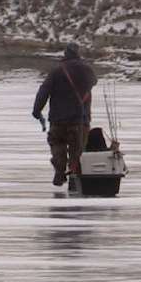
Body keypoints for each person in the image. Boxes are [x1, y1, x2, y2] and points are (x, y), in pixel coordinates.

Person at [32, 42, 98, 186]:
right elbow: (94, 81)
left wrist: (37, 111)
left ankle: (59, 170)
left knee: (57, 143)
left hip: (58, 120)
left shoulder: (56, 71)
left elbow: (43, 91)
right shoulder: (86, 70)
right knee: (77, 151)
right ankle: (74, 176)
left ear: (65, 54)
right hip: (80, 120)